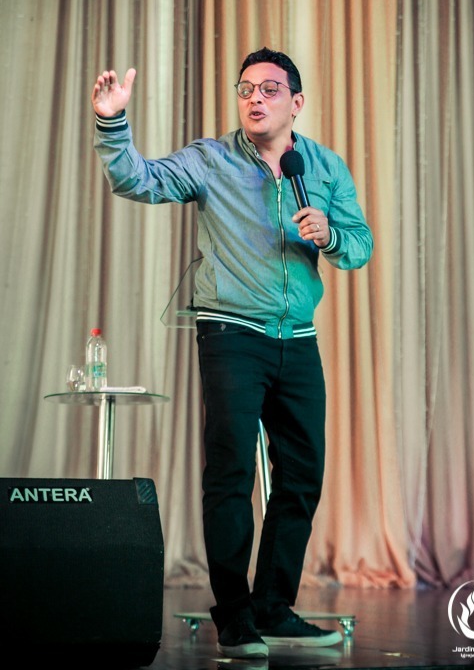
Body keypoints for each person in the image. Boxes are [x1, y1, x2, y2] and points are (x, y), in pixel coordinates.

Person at [91, 47, 373, 660]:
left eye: (270, 89)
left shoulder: (323, 166)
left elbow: (360, 244)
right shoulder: (211, 159)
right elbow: (137, 179)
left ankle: (273, 606)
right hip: (231, 336)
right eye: (246, 89)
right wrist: (113, 122)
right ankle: (235, 616)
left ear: (296, 102)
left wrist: (331, 235)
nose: (255, 99)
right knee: (230, 475)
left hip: (298, 340)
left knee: (302, 477)